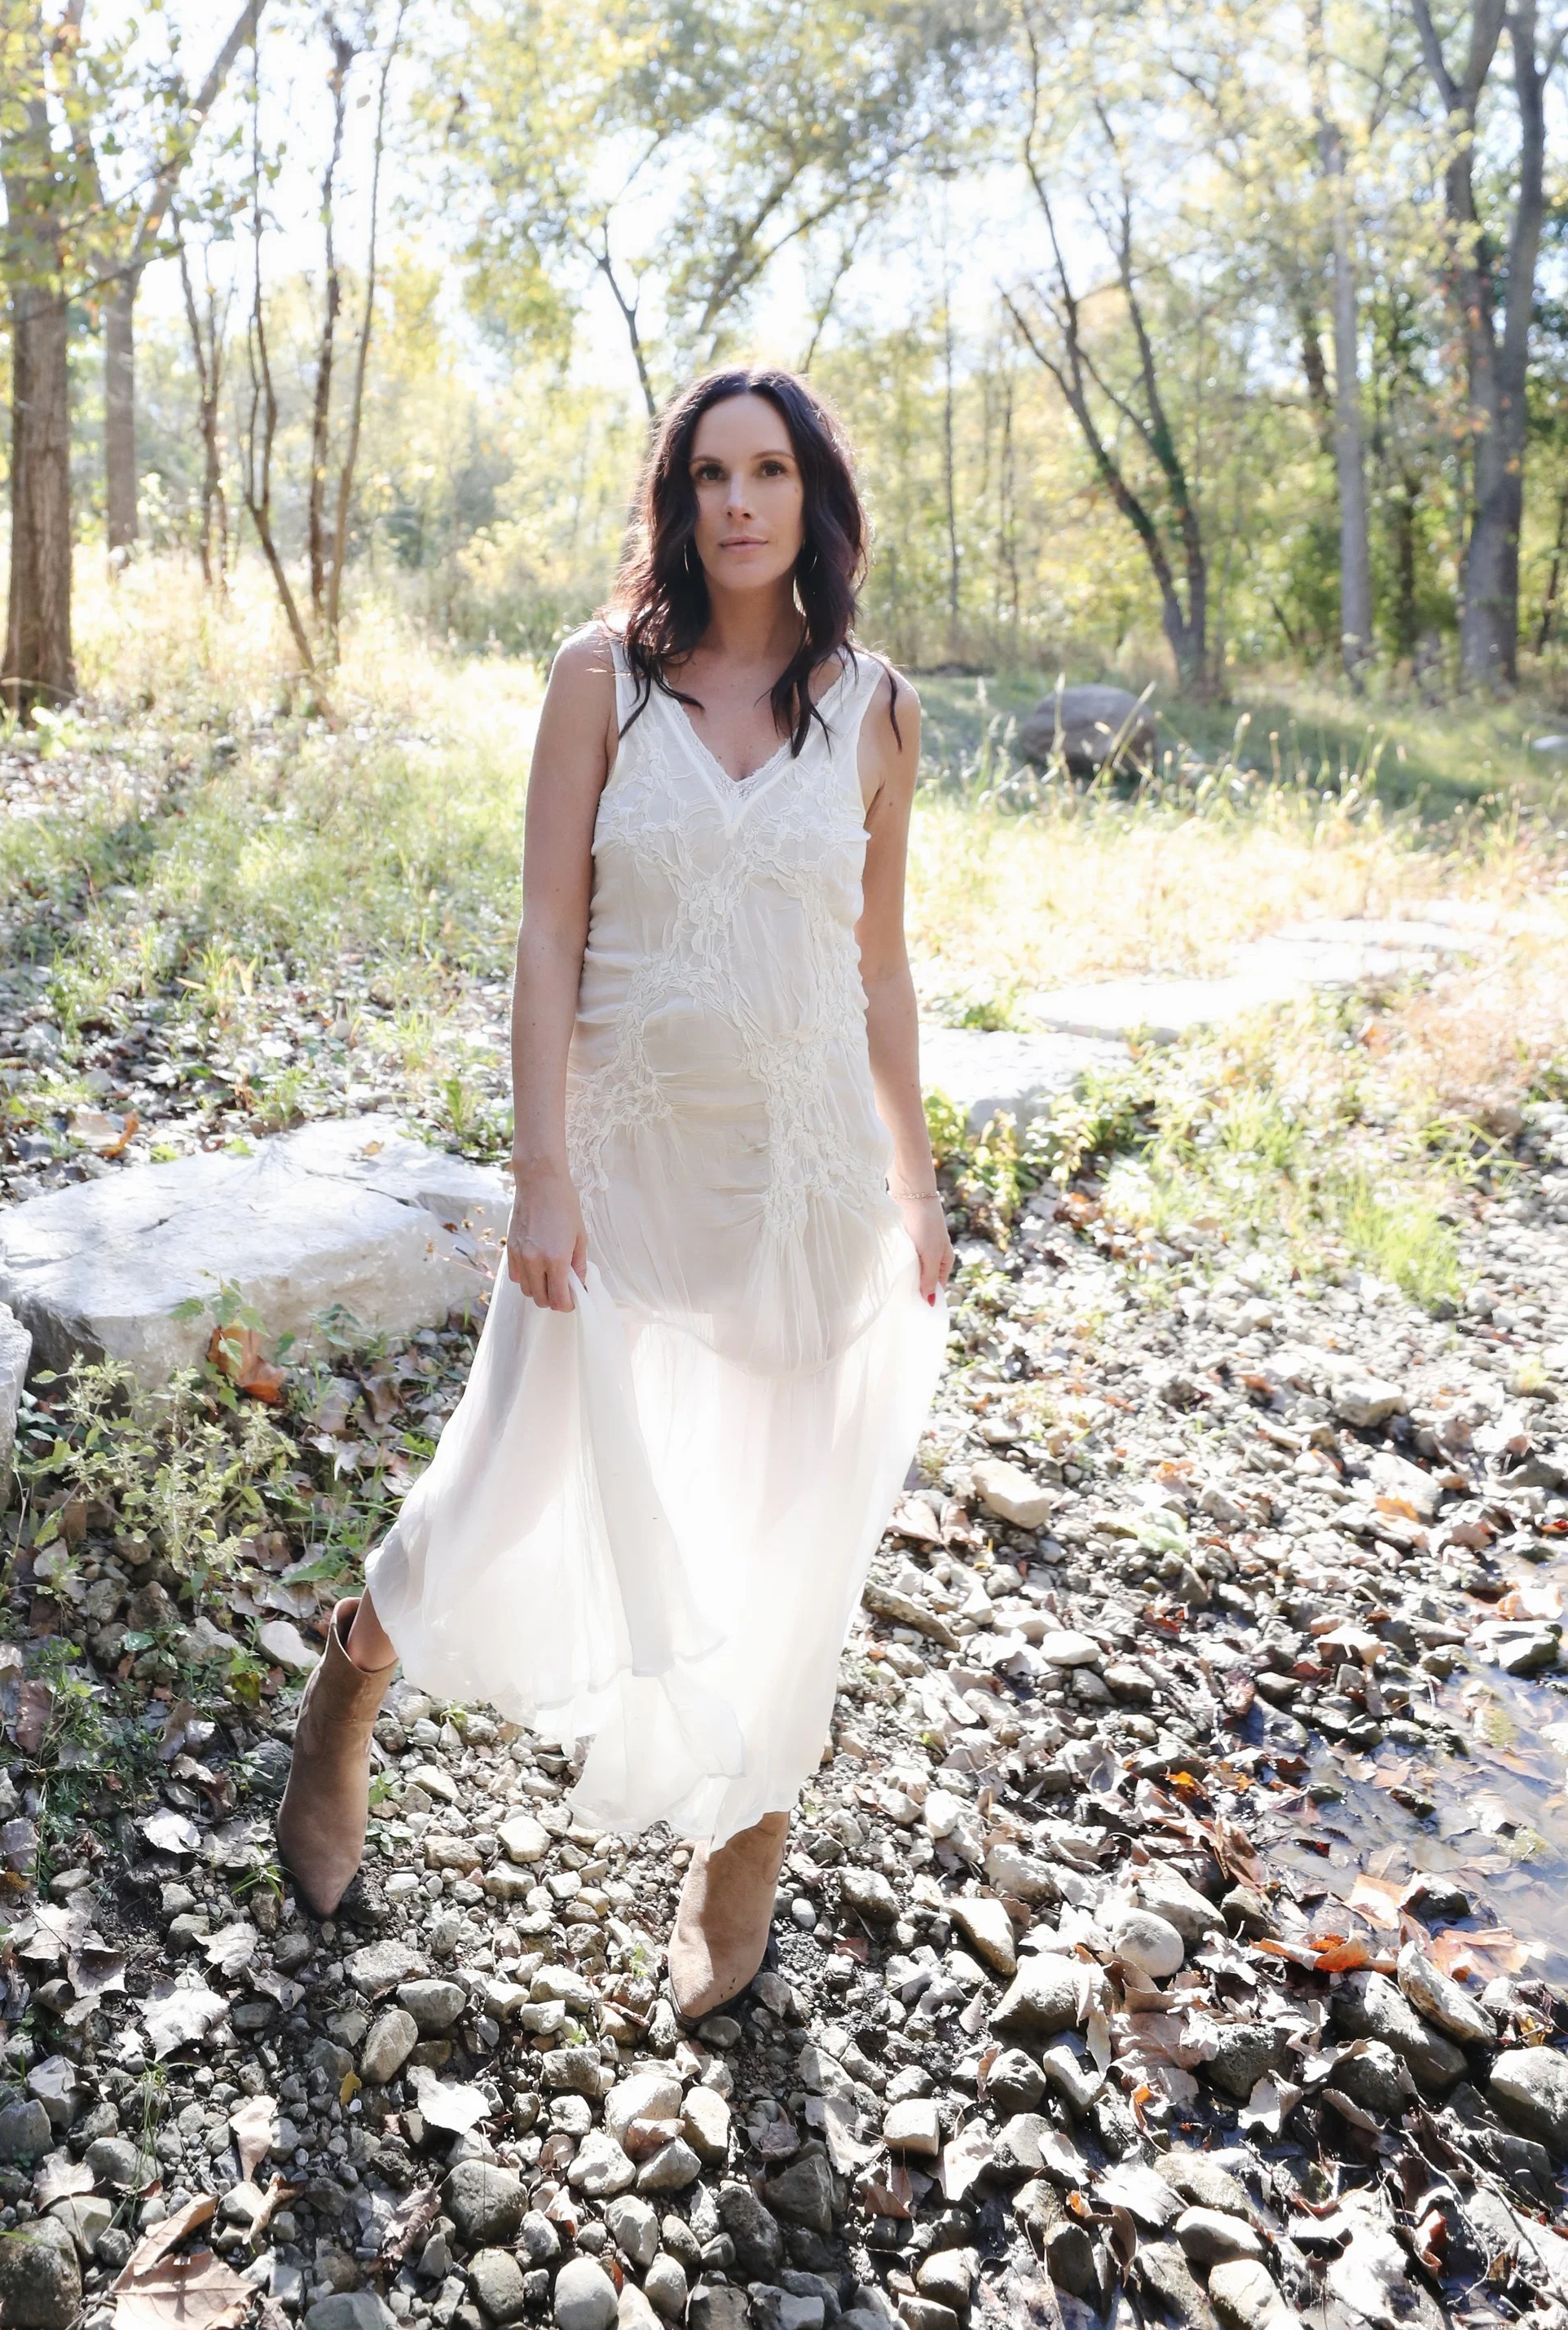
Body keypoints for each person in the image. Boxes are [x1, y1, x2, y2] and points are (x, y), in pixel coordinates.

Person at [276, 364, 954, 2017]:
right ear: (676, 498)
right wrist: (541, 1171)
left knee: (789, 1535)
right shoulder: (601, 681)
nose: (736, 503)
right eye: (709, 474)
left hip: (799, 1179)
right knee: (503, 1471)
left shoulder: (873, 707)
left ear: (812, 500)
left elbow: (876, 967)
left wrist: (916, 1181)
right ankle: (351, 1681)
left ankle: (746, 1841)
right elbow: (544, 935)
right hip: (621, 1162)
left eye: (768, 473)